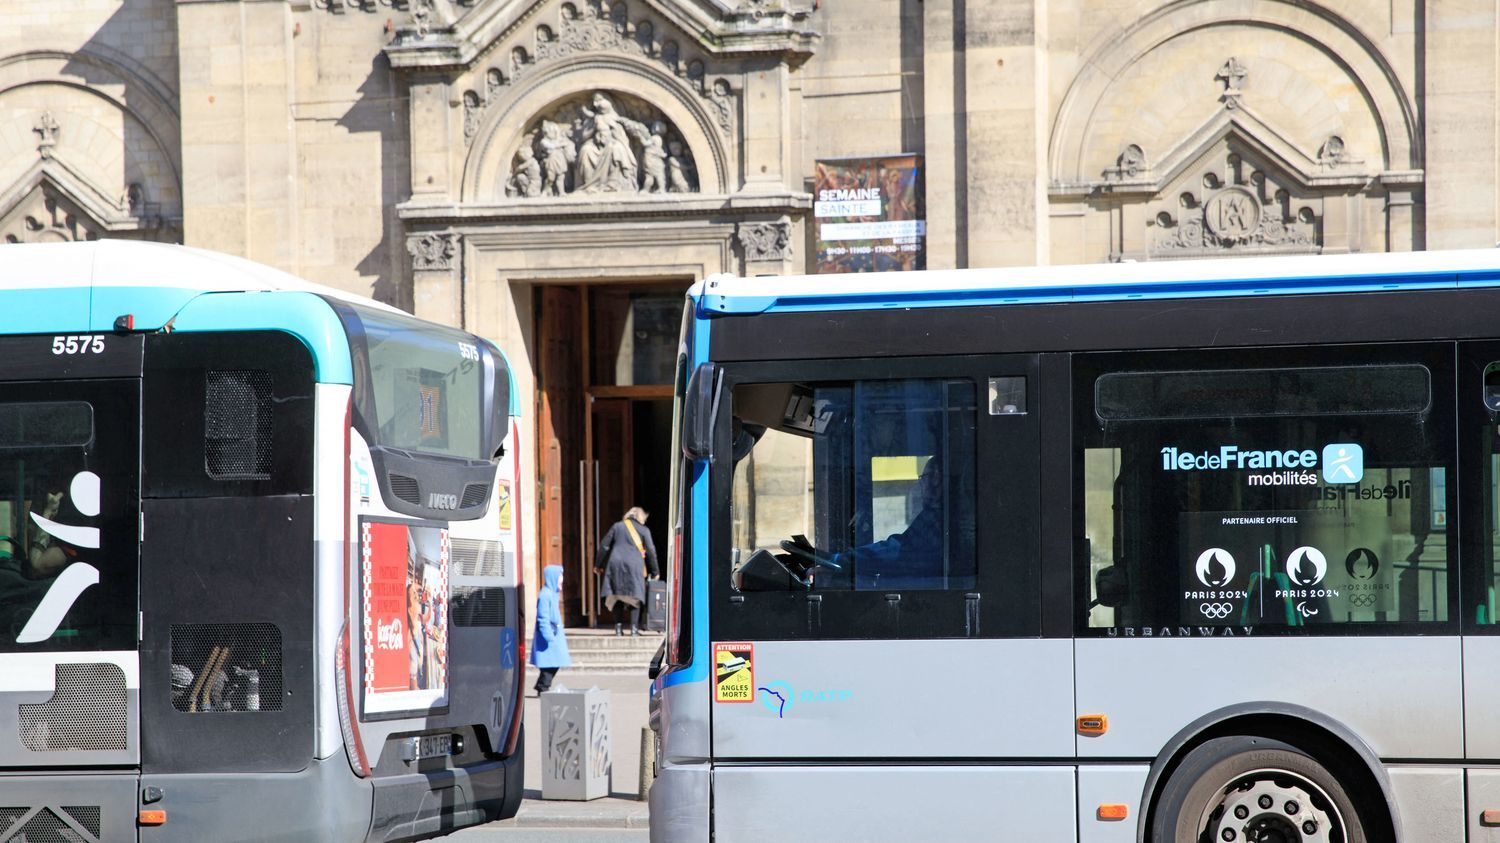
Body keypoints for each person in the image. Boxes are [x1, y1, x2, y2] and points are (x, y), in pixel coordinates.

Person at [596, 506, 658, 635]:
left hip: (615, 564)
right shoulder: (644, 530)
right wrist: (655, 571)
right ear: (641, 517)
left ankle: (618, 628)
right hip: (635, 565)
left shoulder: (617, 527)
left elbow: (604, 545)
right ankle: (634, 629)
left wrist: (598, 565)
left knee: (616, 594)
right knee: (635, 596)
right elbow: (651, 551)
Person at [530, 564, 570, 693]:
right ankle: (543, 687)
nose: (562, 579)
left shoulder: (552, 594)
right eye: (560, 576)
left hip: (554, 635)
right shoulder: (545, 595)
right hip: (549, 637)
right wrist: (549, 636)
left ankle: (542, 686)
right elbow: (543, 618)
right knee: (549, 664)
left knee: (554, 663)